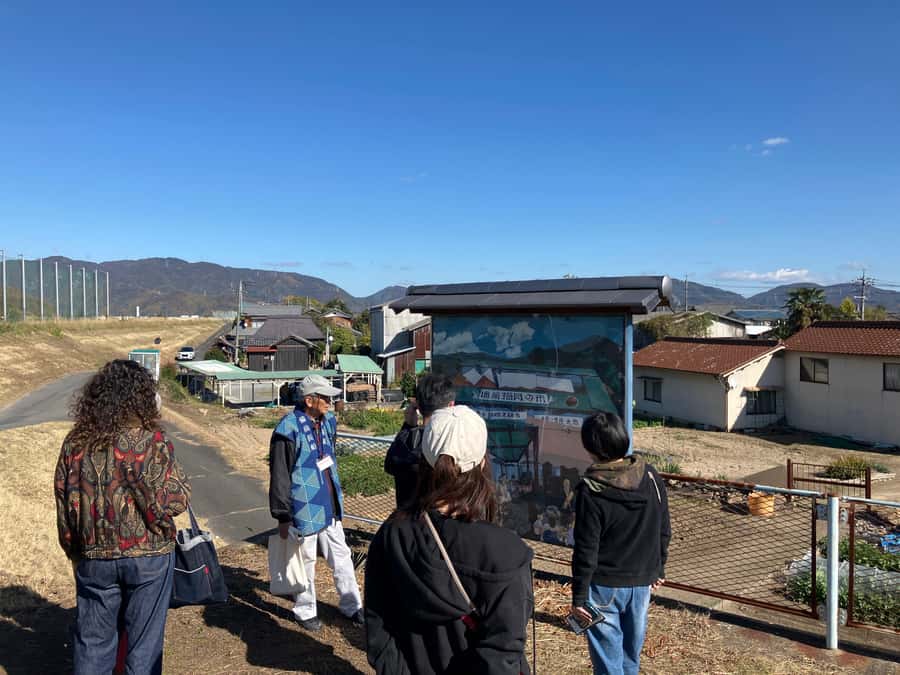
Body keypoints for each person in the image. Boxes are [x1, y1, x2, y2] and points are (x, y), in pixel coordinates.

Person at [365, 405, 534, 674]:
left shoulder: (393, 533)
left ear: (424, 461)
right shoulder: (507, 552)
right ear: (482, 463)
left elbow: (378, 628)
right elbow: (504, 652)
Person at [54, 359, 190, 675]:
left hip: (94, 554)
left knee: (92, 643)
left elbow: (63, 502)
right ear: (142, 398)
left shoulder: (75, 442)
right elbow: (178, 499)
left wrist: (74, 550)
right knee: (143, 647)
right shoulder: (154, 442)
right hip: (150, 554)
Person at [570, 411, 671, 675]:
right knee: (630, 657)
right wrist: (658, 567)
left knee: (608, 660)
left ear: (590, 448)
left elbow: (586, 548)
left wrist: (579, 596)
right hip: (642, 582)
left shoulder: (591, 489)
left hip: (604, 586)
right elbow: (664, 528)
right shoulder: (649, 476)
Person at [269, 374, 363, 631]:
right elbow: (279, 474)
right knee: (306, 559)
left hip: (329, 501)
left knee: (341, 555)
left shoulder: (329, 422)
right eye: (325, 397)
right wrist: (282, 515)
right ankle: (305, 609)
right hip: (303, 505)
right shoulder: (287, 428)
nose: (330, 402)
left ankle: (352, 604)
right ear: (309, 400)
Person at [383, 374, 455, 509]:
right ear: (451, 405)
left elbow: (389, 465)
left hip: (407, 522)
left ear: (418, 406)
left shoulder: (407, 443)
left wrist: (408, 426)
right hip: (440, 524)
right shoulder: (450, 443)